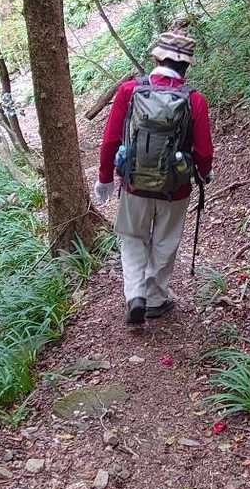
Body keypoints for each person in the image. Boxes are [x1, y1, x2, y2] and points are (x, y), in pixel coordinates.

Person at [92, 25, 214, 326]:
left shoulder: (129, 91)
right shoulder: (195, 99)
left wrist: (105, 177)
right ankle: (156, 299)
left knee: (132, 238)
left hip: (134, 183)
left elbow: (110, 140)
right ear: (186, 65)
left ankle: (135, 295)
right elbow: (204, 150)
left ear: (157, 58)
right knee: (165, 241)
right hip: (176, 188)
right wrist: (203, 172)